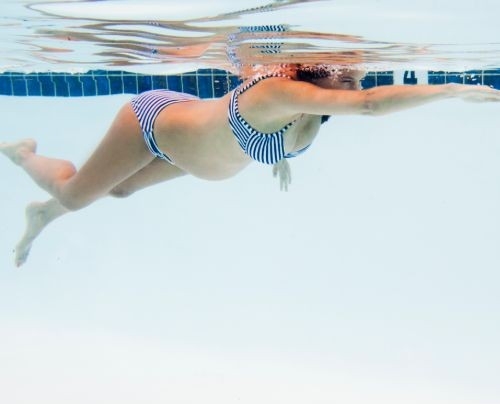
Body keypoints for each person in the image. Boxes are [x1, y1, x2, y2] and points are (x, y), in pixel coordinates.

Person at [2, 63, 500, 266]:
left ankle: (42, 213)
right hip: (151, 126)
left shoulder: (319, 105)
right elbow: (370, 105)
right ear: (312, 71)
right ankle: (25, 154)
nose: (357, 76)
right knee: (74, 195)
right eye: (345, 71)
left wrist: (278, 155)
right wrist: (449, 91)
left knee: (119, 189)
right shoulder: (276, 92)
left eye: (357, 71)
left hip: (189, 146)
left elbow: (349, 104)